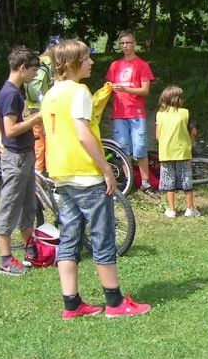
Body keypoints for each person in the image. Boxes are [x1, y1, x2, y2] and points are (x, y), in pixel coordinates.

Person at [43, 39, 151, 319]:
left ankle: (72, 304)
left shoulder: (51, 94)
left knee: (69, 239)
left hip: (62, 176)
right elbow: (81, 133)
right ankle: (115, 303)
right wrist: (105, 168)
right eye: (87, 58)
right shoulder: (79, 92)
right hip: (86, 175)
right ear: (73, 63)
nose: (92, 63)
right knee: (103, 236)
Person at [0, 47, 42, 275]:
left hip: (25, 155)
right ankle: (5, 260)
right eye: (34, 69)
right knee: (9, 206)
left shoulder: (14, 92)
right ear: (22, 68)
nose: (36, 74)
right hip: (16, 158)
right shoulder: (11, 94)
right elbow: (11, 129)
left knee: (29, 204)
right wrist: (38, 117)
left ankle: (30, 251)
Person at [105, 30, 155, 193]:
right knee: (122, 148)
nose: (125, 46)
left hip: (137, 113)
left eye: (128, 43)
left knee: (140, 148)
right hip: (119, 113)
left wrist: (126, 89)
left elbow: (145, 90)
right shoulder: (115, 65)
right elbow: (108, 87)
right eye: (122, 43)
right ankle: (129, 181)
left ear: (134, 44)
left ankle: (146, 182)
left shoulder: (142, 65)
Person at [155, 85, 199, 219]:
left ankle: (171, 210)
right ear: (179, 99)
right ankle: (190, 209)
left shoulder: (159, 114)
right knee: (186, 181)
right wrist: (191, 142)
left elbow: (157, 136)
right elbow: (194, 131)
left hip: (166, 153)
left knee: (169, 182)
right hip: (183, 152)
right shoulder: (185, 113)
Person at [23, 36, 60, 173]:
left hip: (34, 107)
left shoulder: (38, 62)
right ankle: (46, 172)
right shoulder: (48, 63)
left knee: (40, 141)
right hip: (42, 108)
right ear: (51, 47)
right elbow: (38, 89)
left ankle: (40, 171)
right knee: (47, 140)